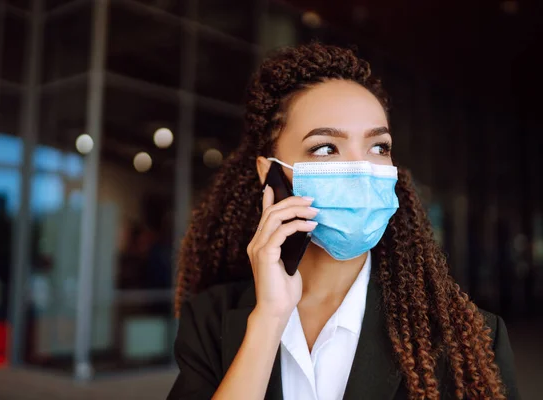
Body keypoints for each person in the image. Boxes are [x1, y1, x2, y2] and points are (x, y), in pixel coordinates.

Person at [167, 43, 520, 400]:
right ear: (271, 174)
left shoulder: (465, 338)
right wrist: (269, 319)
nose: (361, 169)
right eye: (326, 148)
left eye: (378, 147)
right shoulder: (210, 320)